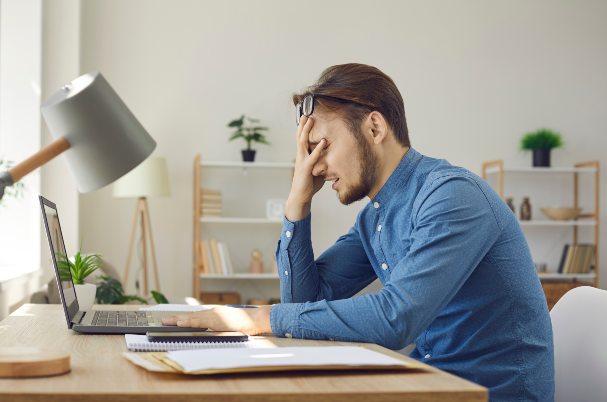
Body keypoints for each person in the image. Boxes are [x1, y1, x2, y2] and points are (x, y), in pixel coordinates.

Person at [163, 63, 554, 401]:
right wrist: (298, 202)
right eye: (308, 153)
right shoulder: (375, 219)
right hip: (434, 384)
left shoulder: (451, 196)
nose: (315, 166)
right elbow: (303, 301)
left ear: (374, 126)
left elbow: (395, 319)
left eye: (322, 147)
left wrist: (255, 319)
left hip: (491, 395)